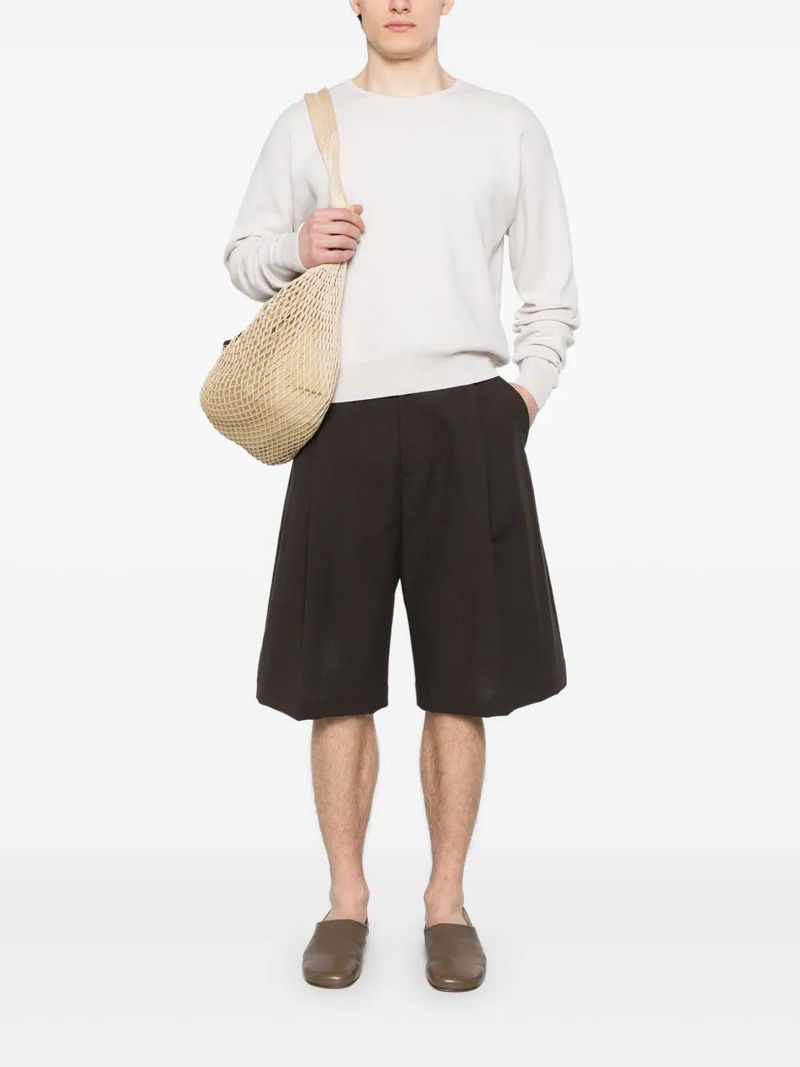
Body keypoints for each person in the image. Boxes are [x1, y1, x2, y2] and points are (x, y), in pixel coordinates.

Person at [221, 0, 580, 992]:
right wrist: (298, 245)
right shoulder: (307, 122)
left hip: (469, 421)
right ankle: (346, 900)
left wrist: (519, 399)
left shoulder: (506, 124)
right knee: (333, 675)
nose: (400, 2)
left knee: (463, 676)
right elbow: (242, 257)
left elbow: (551, 291)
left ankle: (445, 902)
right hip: (337, 418)